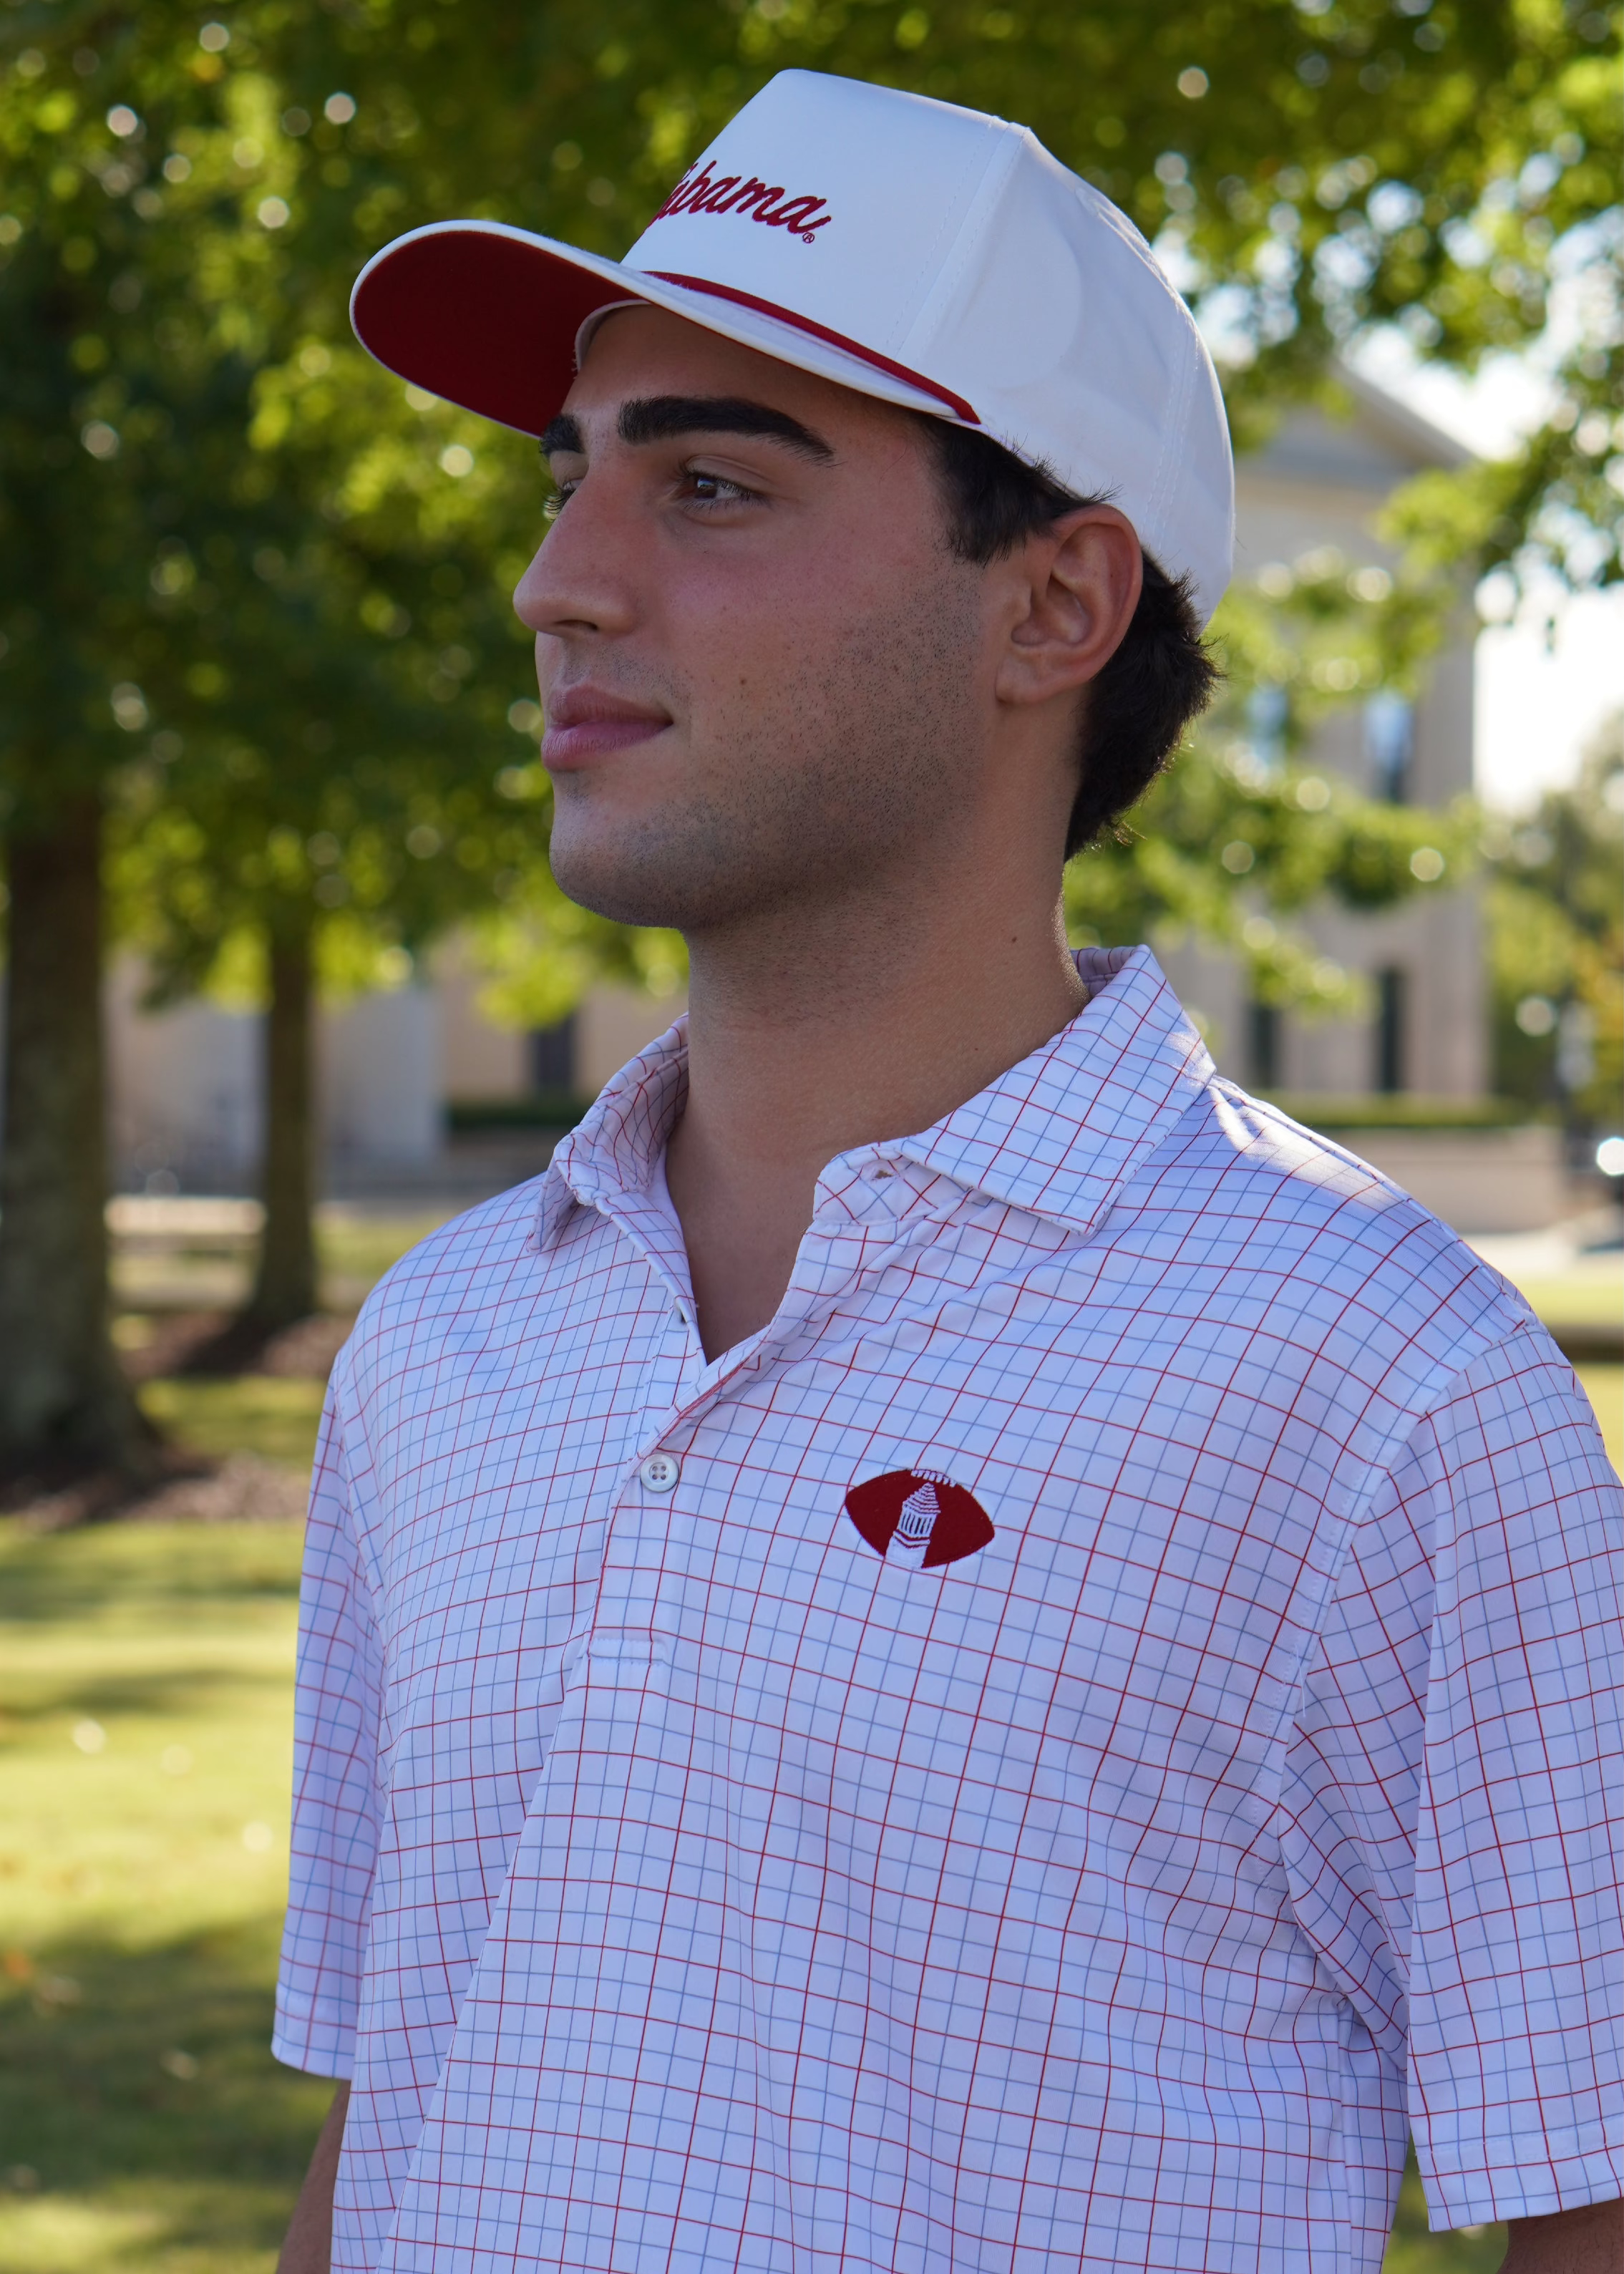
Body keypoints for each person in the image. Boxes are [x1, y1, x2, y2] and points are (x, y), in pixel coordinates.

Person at [274, 69, 1623, 2274]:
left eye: (709, 485)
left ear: (1051, 605)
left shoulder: (1378, 1387)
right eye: (566, 478)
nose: (555, 586)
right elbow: (388, 2109)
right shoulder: (440, 1344)